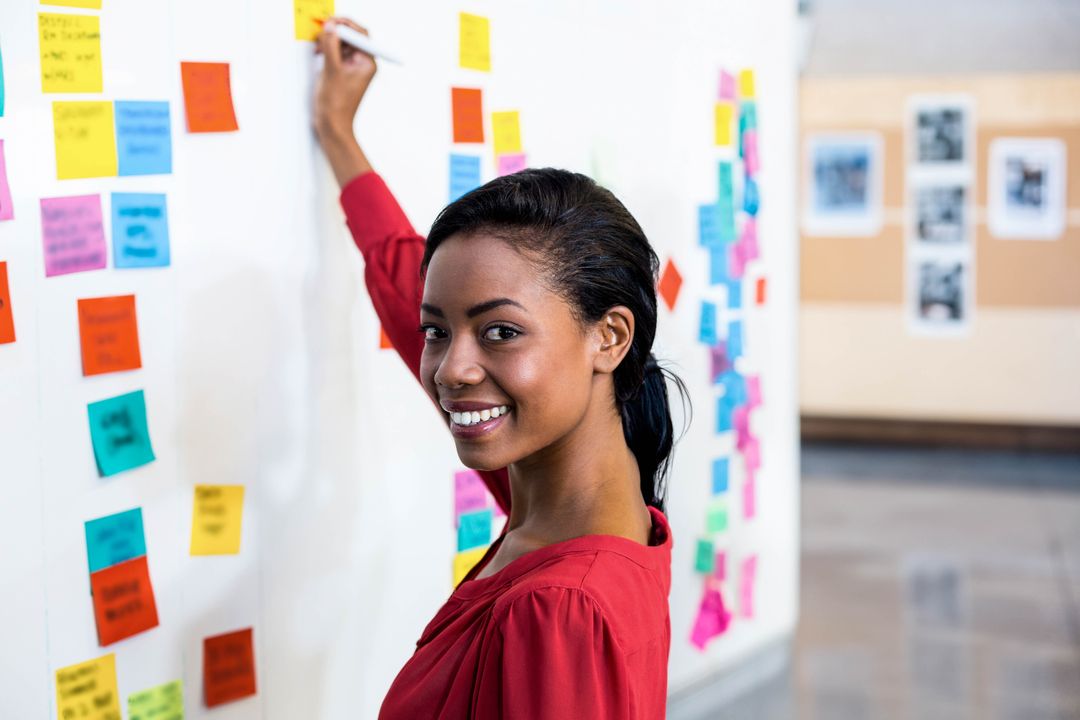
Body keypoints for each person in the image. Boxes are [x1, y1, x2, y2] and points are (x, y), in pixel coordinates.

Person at [313, 18, 686, 719]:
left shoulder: (557, 607)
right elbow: (404, 285)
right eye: (437, 331)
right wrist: (339, 132)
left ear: (609, 337)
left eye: (501, 331)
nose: (452, 369)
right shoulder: (571, 500)